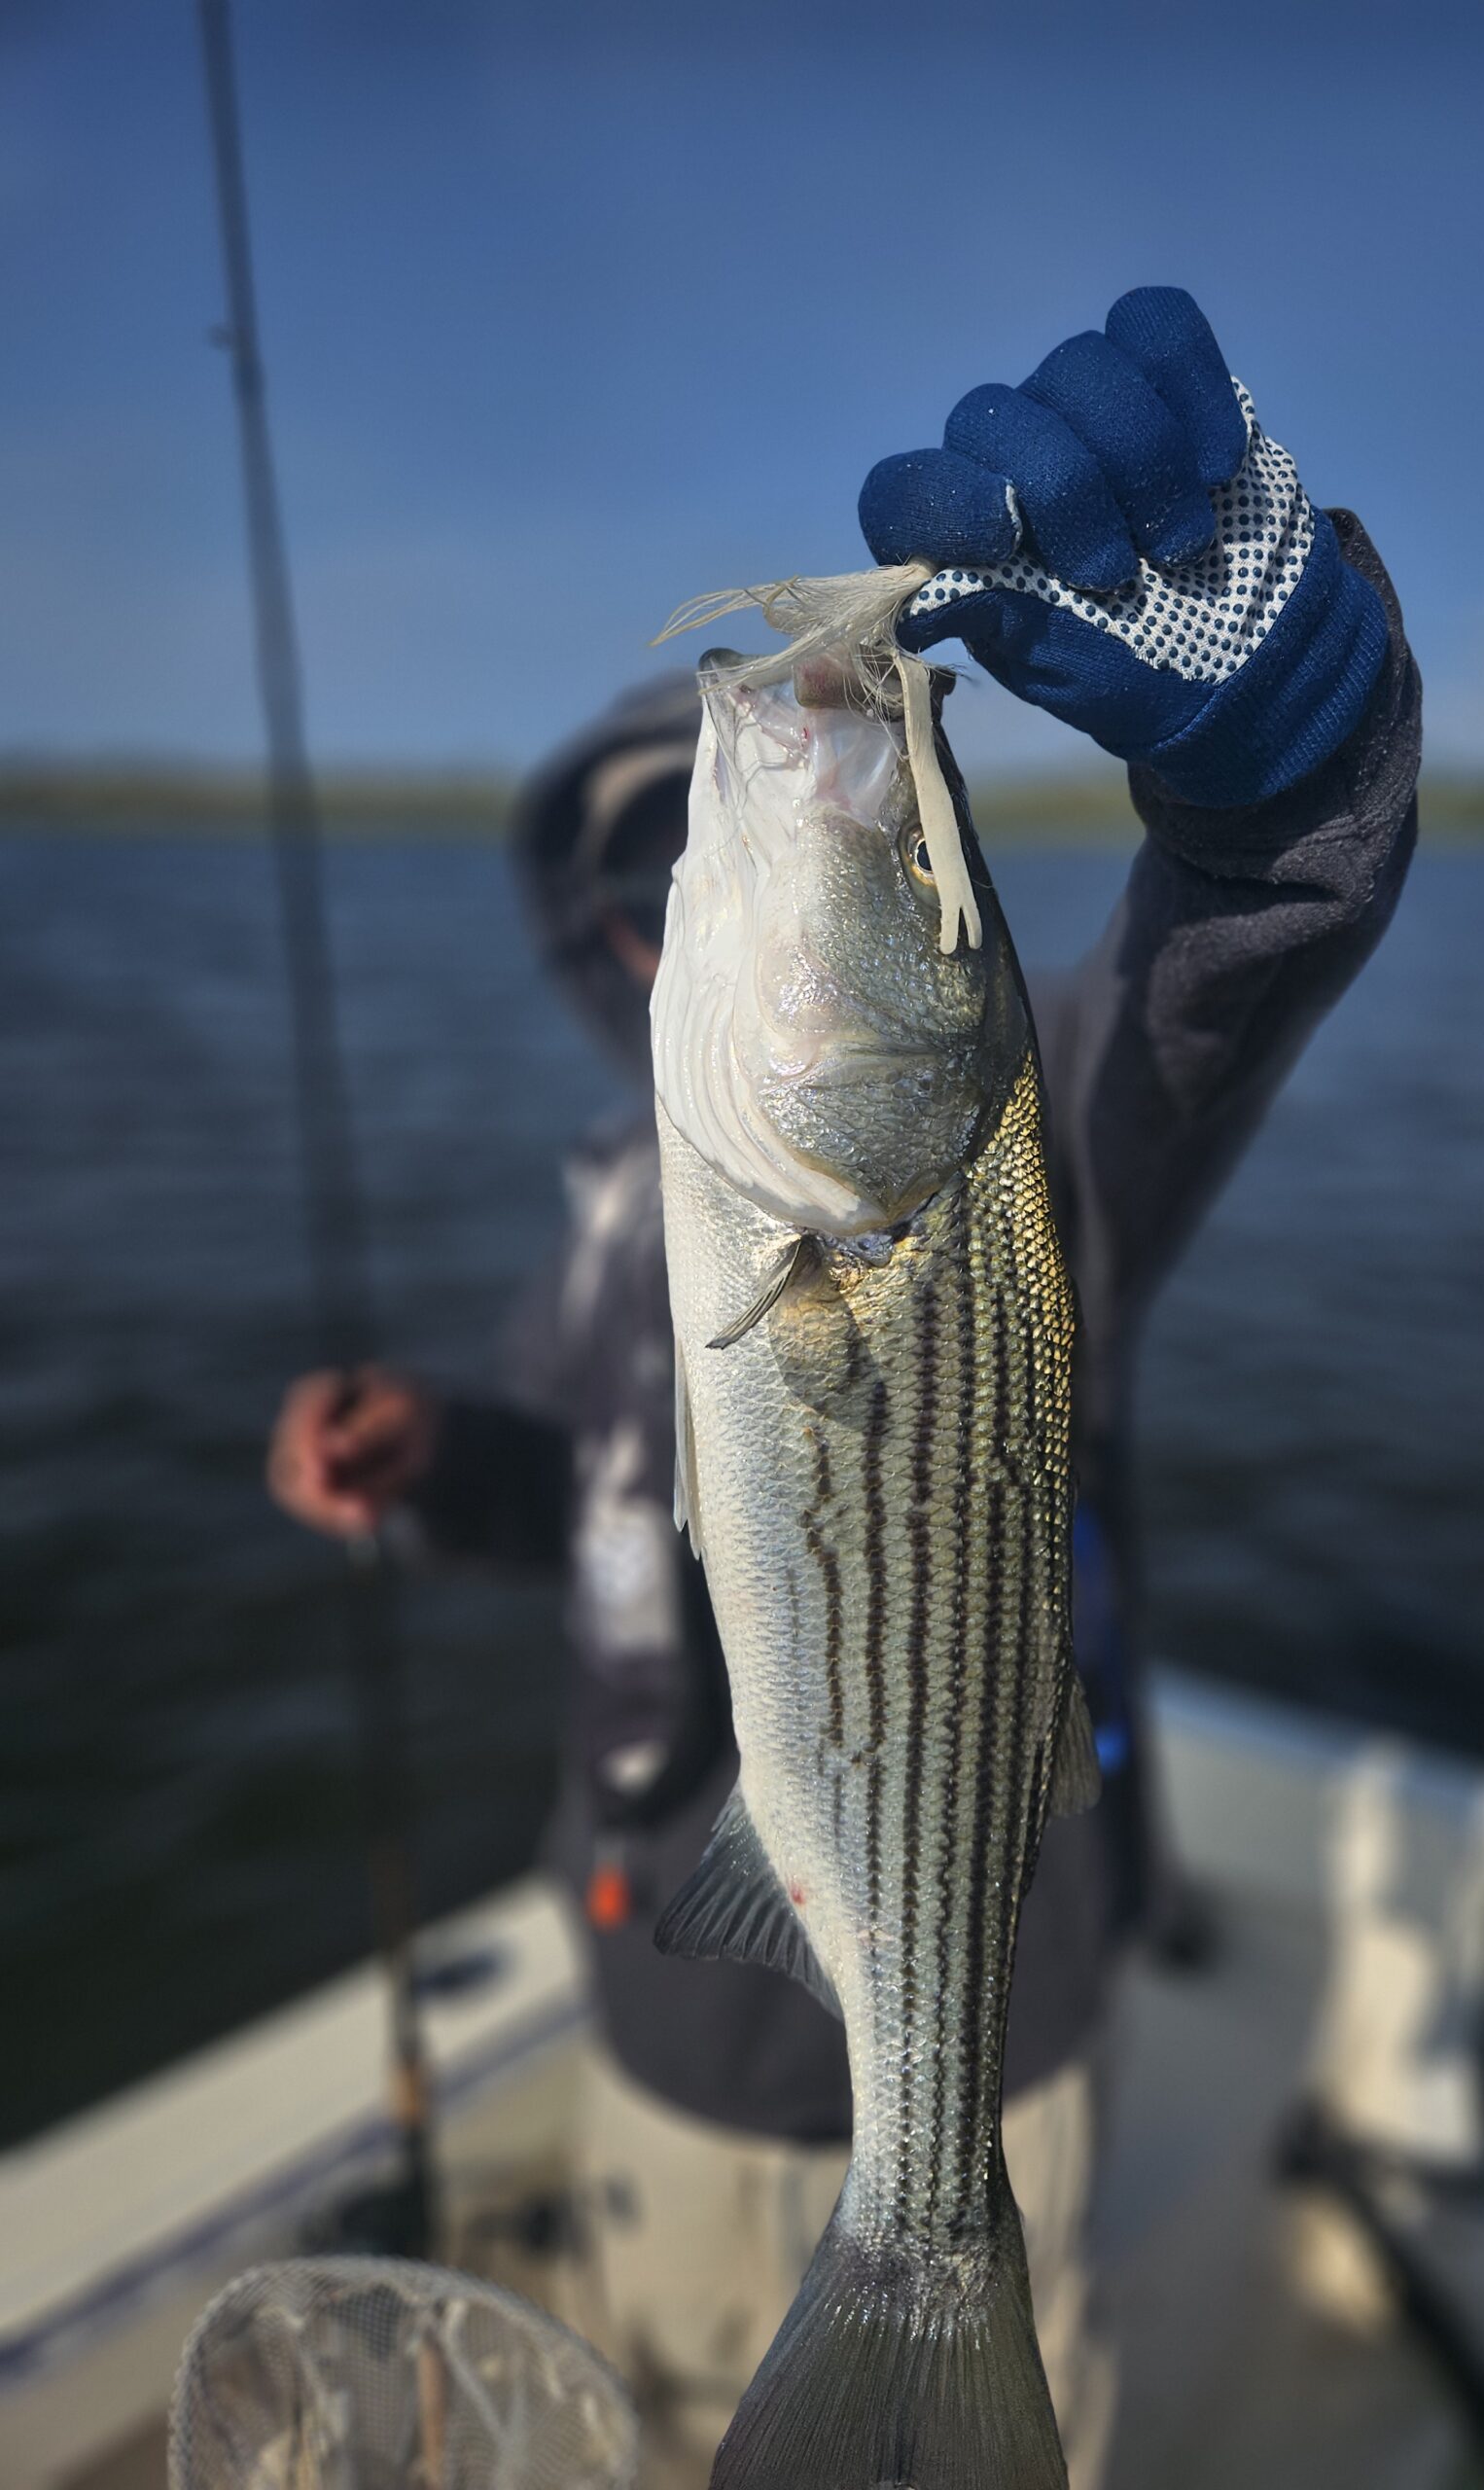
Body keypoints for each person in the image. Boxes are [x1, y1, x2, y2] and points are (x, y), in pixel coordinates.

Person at [268, 287, 1422, 2488]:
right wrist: (446, 1468)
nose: (674, 898)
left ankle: (936, 2246)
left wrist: (1294, 775)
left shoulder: (1034, 1127)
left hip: (982, 2043)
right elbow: (616, 1489)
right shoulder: (634, 1214)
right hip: (664, 2032)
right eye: (642, 868)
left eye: (891, 842)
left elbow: (1245, 937)